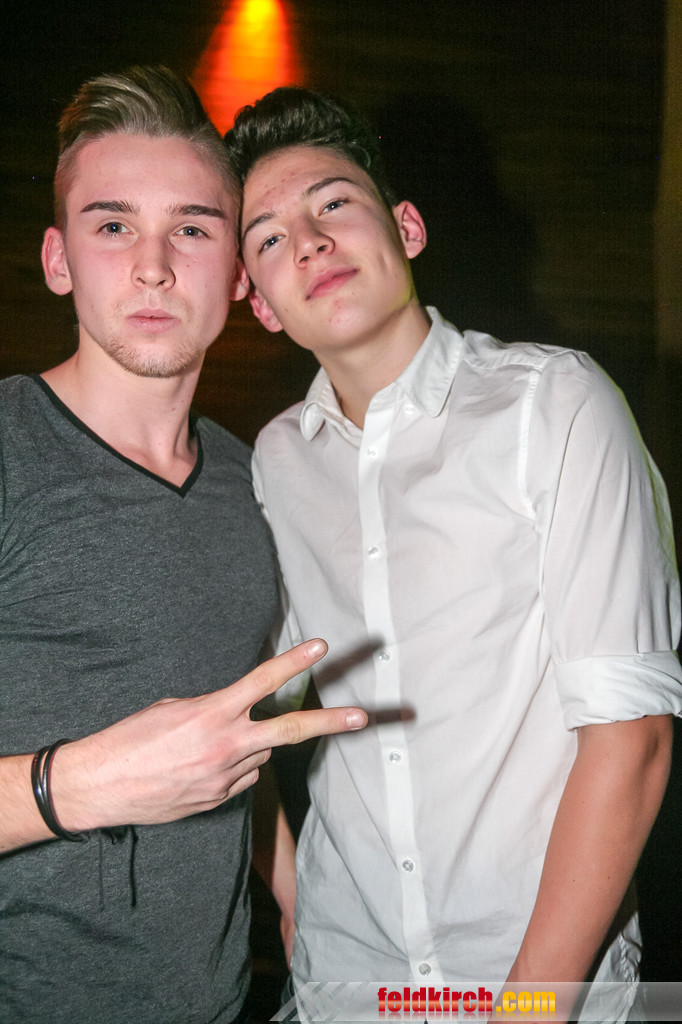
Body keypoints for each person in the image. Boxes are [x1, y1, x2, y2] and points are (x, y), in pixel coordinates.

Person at [224, 87, 682, 1022]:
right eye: (268, 238)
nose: (307, 241)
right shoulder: (274, 461)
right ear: (262, 306)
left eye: (333, 202)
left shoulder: (555, 405)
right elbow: (244, 718)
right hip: (350, 989)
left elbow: (631, 739)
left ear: (407, 227)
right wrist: (292, 897)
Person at [0, 69, 367, 1024]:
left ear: (239, 276)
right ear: (58, 258)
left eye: (194, 230)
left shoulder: (259, 480)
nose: (154, 267)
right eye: (113, 225)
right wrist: (81, 785)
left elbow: (227, 739)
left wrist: (296, 892)